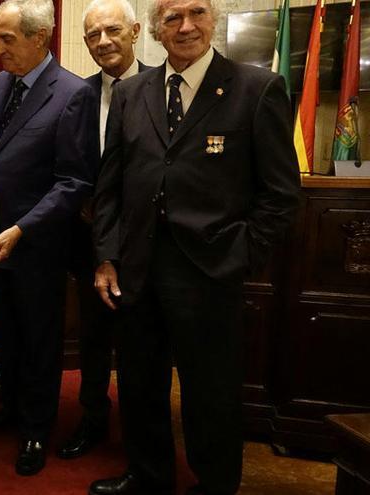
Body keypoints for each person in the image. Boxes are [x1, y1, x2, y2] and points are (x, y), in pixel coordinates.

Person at [89, 0, 300, 492]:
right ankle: (147, 476)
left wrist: (243, 254)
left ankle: (215, 484)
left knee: (211, 393)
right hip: (137, 269)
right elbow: (111, 184)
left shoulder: (256, 88)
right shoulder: (132, 92)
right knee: (140, 385)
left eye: (197, 13)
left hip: (210, 270)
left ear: (213, 19)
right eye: (172, 18)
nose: (186, 27)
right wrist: (106, 255)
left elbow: (281, 193)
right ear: (155, 32)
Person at [0, 0, 99, 476]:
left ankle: (36, 430)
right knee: (5, 334)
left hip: (38, 246)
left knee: (39, 340)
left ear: (40, 38)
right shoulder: (0, 83)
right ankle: (11, 409)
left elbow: (73, 181)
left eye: (7, 38)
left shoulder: (72, 94)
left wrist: (22, 229)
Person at [58, 0, 149, 461]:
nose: (103, 42)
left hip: (148, 246)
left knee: (142, 347)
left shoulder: (160, 85)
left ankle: (141, 438)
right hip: (91, 241)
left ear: (134, 31)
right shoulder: (79, 95)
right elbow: (70, 165)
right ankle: (92, 420)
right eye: (92, 35)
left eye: (112, 31)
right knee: (92, 341)